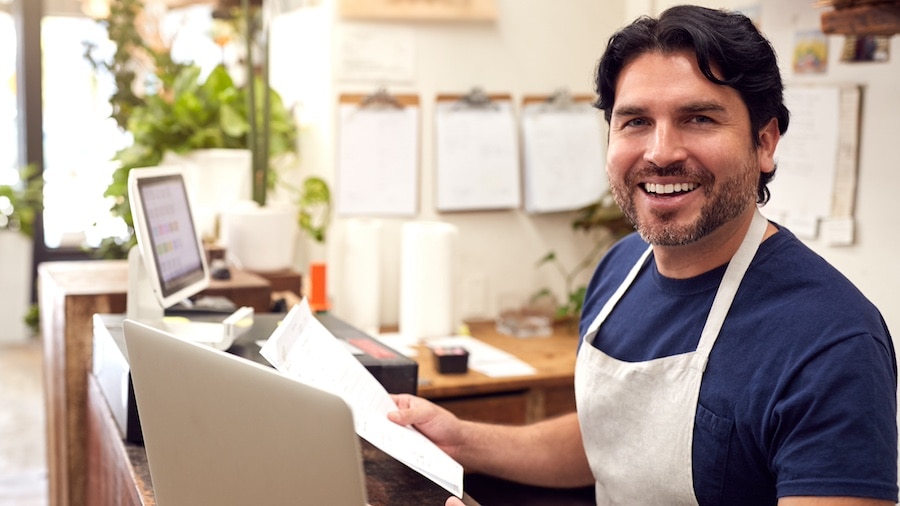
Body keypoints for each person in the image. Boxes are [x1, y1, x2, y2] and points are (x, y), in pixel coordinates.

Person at [388, 5, 898, 505]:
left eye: (698, 118)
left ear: (764, 143)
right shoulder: (620, 269)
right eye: (634, 121)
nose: (660, 152)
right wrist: (460, 441)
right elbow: (608, 444)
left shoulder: (833, 341)